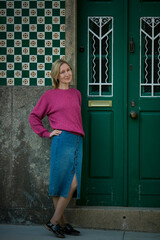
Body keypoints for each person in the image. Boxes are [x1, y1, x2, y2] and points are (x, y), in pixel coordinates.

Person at [29, 59, 85, 238]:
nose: (67, 74)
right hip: (62, 141)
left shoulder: (77, 94)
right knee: (62, 182)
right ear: (56, 75)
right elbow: (34, 117)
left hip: (77, 140)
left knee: (72, 182)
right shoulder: (49, 96)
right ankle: (55, 222)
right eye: (62, 72)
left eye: (68, 70)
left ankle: (61, 223)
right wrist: (47, 133)